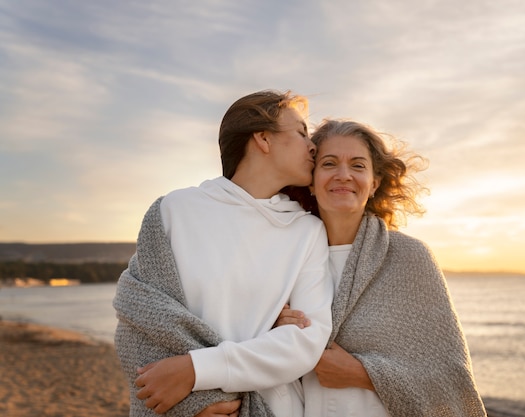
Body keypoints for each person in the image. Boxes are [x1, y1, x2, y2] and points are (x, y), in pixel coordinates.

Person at [113, 90, 334, 417]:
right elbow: (140, 317)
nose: (312, 145)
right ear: (262, 138)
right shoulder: (176, 210)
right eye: (301, 133)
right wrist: (195, 404)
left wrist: (196, 370)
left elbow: (306, 341)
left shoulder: (306, 231)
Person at [278, 119, 487, 416]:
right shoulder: (284, 257)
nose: (343, 175)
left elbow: (451, 381)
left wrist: (363, 374)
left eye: (358, 166)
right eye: (328, 163)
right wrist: (275, 329)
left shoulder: (409, 257)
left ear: (374, 183)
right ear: (310, 181)